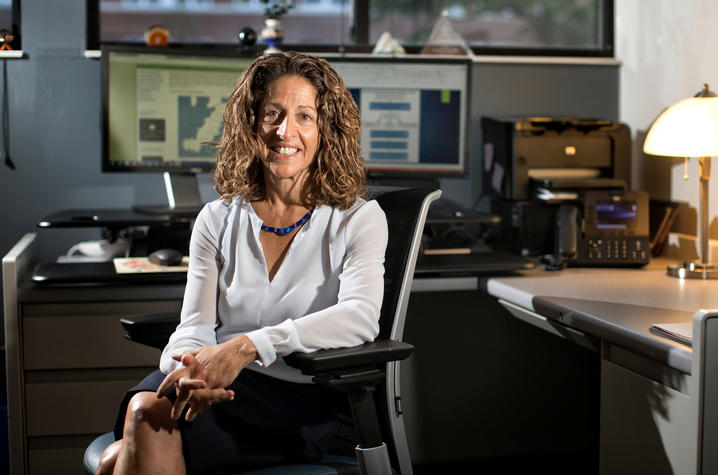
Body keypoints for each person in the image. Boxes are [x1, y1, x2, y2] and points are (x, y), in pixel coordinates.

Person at [96, 52, 388, 475]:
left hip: (295, 399)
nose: (285, 131)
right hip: (209, 380)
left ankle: (121, 459)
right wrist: (190, 370)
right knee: (146, 409)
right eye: (272, 114)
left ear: (326, 130)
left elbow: (360, 318)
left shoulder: (358, 218)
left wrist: (248, 346)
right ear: (250, 123)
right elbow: (193, 327)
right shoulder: (217, 218)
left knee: (128, 446)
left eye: (304, 117)